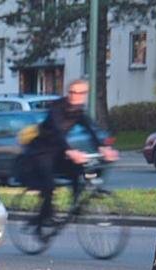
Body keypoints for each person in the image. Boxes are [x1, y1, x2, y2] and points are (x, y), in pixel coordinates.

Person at [22, 78, 117, 231]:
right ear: (68, 93)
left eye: (81, 93)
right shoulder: (57, 107)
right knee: (49, 186)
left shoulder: (78, 112)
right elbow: (58, 131)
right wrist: (70, 151)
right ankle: (42, 220)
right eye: (73, 92)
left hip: (57, 152)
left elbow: (90, 130)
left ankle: (73, 207)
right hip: (41, 152)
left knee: (78, 171)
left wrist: (103, 148)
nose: (76, 96)